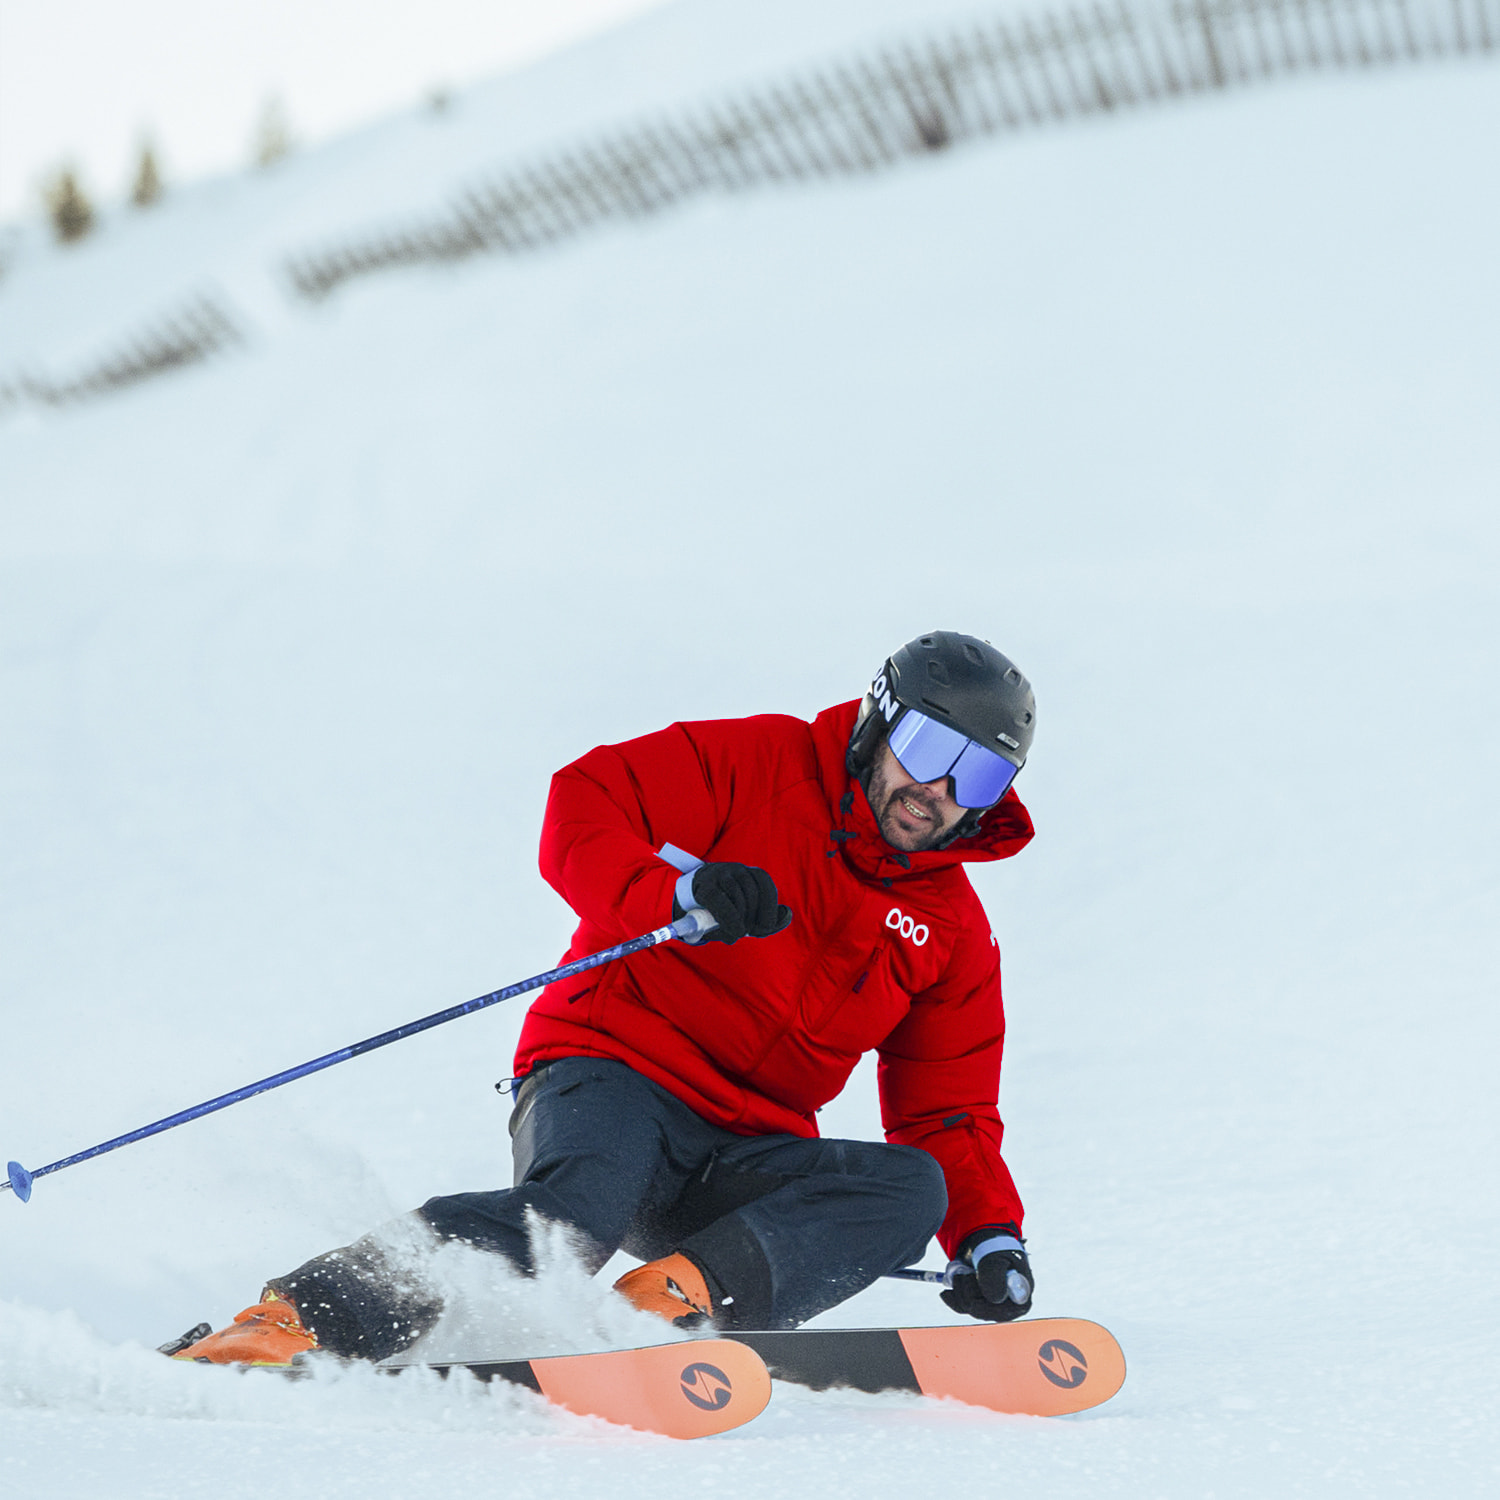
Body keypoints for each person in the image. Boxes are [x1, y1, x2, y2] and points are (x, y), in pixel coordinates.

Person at [175, 630, 1039, 1366]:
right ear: (877, 721)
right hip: (613, 1069)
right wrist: (677, 891)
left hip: (745, 1148)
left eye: (980, 780)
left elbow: (949, 1111)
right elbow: (582, 804)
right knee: (570, 1223)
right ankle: (295, 1322)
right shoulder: (752, 764)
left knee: (910, 1188)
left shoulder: (951, 930)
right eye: (929, 751)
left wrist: (987, 1237)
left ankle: (666, 1307)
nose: (939, 792)